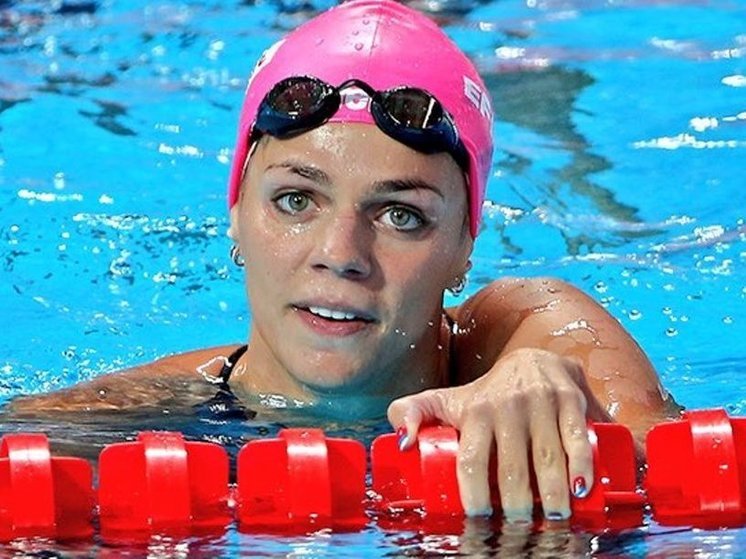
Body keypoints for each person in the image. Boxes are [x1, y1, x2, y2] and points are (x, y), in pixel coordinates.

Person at [9, 0, 680, 521]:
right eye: (296, 200)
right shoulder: (130, 413)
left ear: (463, 248)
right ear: (236, 212)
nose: (340, 255)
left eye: (401, 215)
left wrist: (550, 390)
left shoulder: (518, 331)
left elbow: (663, 457)